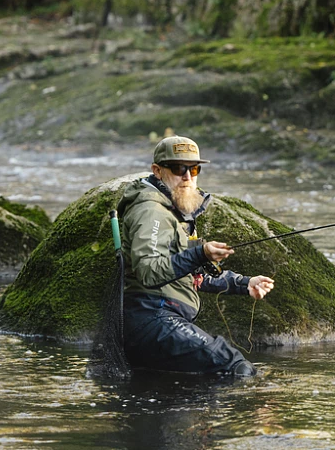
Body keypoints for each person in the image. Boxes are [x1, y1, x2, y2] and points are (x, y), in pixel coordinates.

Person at [117, 135, 274, 376]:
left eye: (194, 169)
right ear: (157, 171)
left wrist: (244, 284)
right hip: (152, 318)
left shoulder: (175, 210)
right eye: (179, 168)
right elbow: (148, 272)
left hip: (165, 319)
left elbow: (191, 276)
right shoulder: (151, 211)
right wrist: (200, 253)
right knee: (234, 367)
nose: (188, 177)